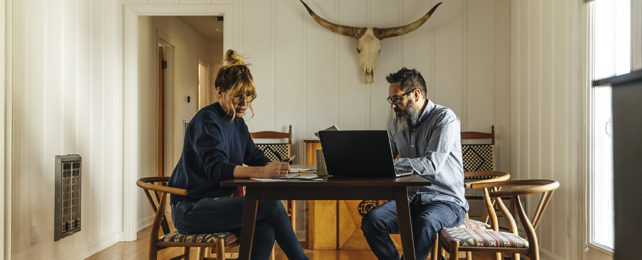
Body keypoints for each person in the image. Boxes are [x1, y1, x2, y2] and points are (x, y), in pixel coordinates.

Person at [168, 49, 308, 260]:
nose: (244, 103)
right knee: (269, 204)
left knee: (265, 231)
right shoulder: (206, 121)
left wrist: (278, 166)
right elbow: (217, 169)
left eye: (248, 97)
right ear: (220, 92)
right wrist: (262, 172)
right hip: (190, 209)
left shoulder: (238, 123)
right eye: (237, 97)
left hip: (218, 205)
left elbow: (252, 154)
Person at [361, 68, 469, 260]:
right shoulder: (397, 124)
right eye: (391, 100)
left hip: (445, 201)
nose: (392, 106)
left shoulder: (445, 119)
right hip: (409, 199)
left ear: (416, 94)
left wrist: (392, 165)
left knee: (425, 223)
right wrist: (361, 161)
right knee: (372, 221)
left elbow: (431, 165)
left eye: (396, 99)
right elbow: (385, 157)